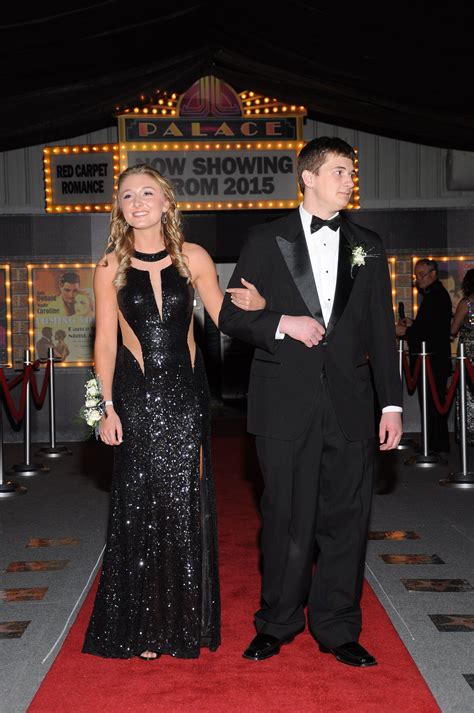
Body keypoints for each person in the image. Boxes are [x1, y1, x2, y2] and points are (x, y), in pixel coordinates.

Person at [219, 136, 403, 668]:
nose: (349, 181)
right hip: (283, 404)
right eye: (341, 171)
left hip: (351, 403)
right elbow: (231, 316)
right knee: (285, 519)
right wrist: (280, 321)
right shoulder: (264, 238)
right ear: (309, 177)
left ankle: (338, 627)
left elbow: (378, 331)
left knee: (347, 519)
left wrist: (390, 405)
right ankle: (276, 623)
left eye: (351, 172)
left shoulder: (368, 243)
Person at [82, 163, 265, 661]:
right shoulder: (108, 266)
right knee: (140, 506)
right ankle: (143, 628)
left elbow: (226, 317)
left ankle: (181, 623)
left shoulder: (193, 257)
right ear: (119, 209)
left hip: (185, 397)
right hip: (136, 397)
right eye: (126, 196)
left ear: (166, 202)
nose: (137, 202)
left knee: (183, 502)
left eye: (147, 193)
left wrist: (263, 306)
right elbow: (102, 342)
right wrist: (103, 408)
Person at [396, 258, 452, 455]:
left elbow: (431, 333)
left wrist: (406, 332)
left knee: (433, 405)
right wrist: (413, 324)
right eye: (416, 276)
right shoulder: (435, 295)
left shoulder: (436, 296)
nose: (418, 279)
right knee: (431, 405)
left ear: (433, 274)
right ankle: (433, 444)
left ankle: (434, 446)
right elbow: (428, 327)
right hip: (431, 359)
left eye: (421, 275)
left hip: (432, 360)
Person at [450, 268, 474, 469]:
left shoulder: (467, 303)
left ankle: (469, 434)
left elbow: (453, 329)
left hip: (469, 355)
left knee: (468, 396)